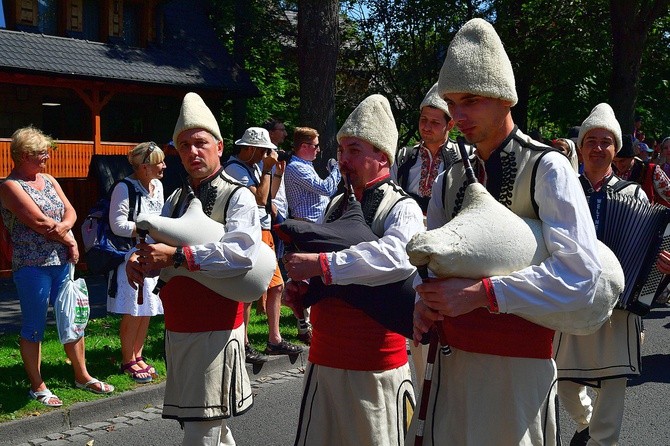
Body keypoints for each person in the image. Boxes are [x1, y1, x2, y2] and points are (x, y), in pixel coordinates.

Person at [407, 19, 601, 445]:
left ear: (503, 97)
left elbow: (582, 278)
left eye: (470, 101)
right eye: (452, 103)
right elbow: (432, 267)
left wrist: (484, 294)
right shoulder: (449, 178)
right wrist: (425, 302)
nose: (457, 116)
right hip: (450, 366)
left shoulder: (547, 168)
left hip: (518, 372)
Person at [285, 94, 424, 446]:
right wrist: (303, 289)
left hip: (375, 365)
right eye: (342, 149)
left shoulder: (401, 206)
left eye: (354, 150)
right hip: (324, 358)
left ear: (383, 157)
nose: (343, 160)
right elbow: (320, 260)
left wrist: (322, 265)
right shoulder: (335, 203)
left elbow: (398, 257)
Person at [126, 92, 260, 446]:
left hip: (214, 327)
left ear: (218, 146)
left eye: (200, 143)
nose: (192, 152)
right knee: (203, 424)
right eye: (184, 145)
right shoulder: (175, 198)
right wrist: (139, 261)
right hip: (180, 325)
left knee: (202, 426)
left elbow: (242, 253)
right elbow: (160, 249)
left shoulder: (239, 195)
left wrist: (176, 257)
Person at [0, 126, 114, 407]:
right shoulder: (10, 186)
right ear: (23, 155)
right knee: (34, 327)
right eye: (41, 153)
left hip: (61, 263)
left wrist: (65, 231)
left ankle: (82, 375)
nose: (46, 158)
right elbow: (39, 222)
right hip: (32, 265)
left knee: (72, 319)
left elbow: (70, 210)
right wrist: (71, 240)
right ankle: (37, 385)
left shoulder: (49, 179)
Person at [554, 103, 646, 446]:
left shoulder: (634, 194)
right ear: (581, 147)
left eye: (605, 141)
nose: (597, 147)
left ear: (616, 149)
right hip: (570, 296)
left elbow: (649, 246)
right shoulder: (562, 190)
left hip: (618, 305)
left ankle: (602, 441)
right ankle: (586, 422)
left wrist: (660, 262)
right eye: (591, 139)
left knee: (614, 381)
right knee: (562, 380)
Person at [224, 127, 303, 363]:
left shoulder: (255, 167)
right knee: (249, 290)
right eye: (263, 151)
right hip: (251, 233)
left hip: (264, 231)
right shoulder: (234, 170)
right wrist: (267, 170)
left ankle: (274, 339)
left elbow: (269, 197)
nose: (266, 155)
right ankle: (244, 342)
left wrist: (275, 173)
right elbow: (258, 198)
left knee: (276, 286)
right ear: (248, 149)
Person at [107, 142, 166, 383]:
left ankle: (138, 355)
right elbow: (118, 225)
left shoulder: (158, 186)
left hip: (150, 253)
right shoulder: (124, 187)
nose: (163, 166)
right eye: (158, 162)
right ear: (143, 167)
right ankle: (127, 359)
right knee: (133, 310)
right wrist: (148, 228)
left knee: (147, 309)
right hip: (129, 255)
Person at [391, 82, 461, 214]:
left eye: (435, 122)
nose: (426, 127)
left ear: (450, 125)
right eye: (423, 120)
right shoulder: (403, 156)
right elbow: (391, 195)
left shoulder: (463, 157)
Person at [612, 134, 670, 206]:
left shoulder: (651, 170)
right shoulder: (609, 172)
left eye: (622, 161)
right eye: (614, 161)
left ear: (632, 157)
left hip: (647, 215)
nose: (618, 165)